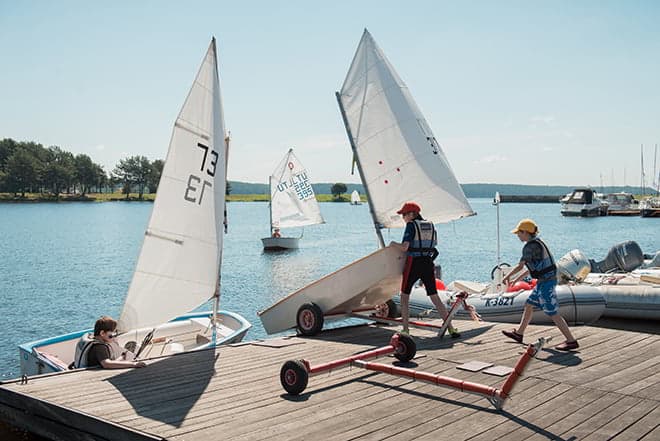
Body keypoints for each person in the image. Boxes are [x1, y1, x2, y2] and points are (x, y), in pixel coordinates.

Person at [501, 219, 579, 351]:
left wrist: (507, 277)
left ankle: (571, 341)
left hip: (546, 283)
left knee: (552, 312)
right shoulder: (538, 243)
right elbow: (531, 268)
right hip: (544, 281)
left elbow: (520, 266)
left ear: (525, 232)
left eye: (519, 233)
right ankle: (519, 334)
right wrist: (516, 280)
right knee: (529, 304)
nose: (517, 236)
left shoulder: (529, 247)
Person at [392, 201, 459, 338]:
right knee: (434, 296)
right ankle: (451, 328)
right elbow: (434, 246)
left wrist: (393, 245)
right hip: (428, 263)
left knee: (404, 296)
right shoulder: (430, 225)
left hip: (413, 263)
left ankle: (405, 330)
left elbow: (405, 247)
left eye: (404, 214)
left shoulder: (411, 225)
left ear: (412, 214)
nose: (403, 217)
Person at [75, 316, 147, 369]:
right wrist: (133, 364)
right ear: (102, 333)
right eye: (113, 333)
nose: (115, 335)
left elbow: (107, 362)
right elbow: (107, 364)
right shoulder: (99, 347)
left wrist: (121, 357)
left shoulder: (92, 340)